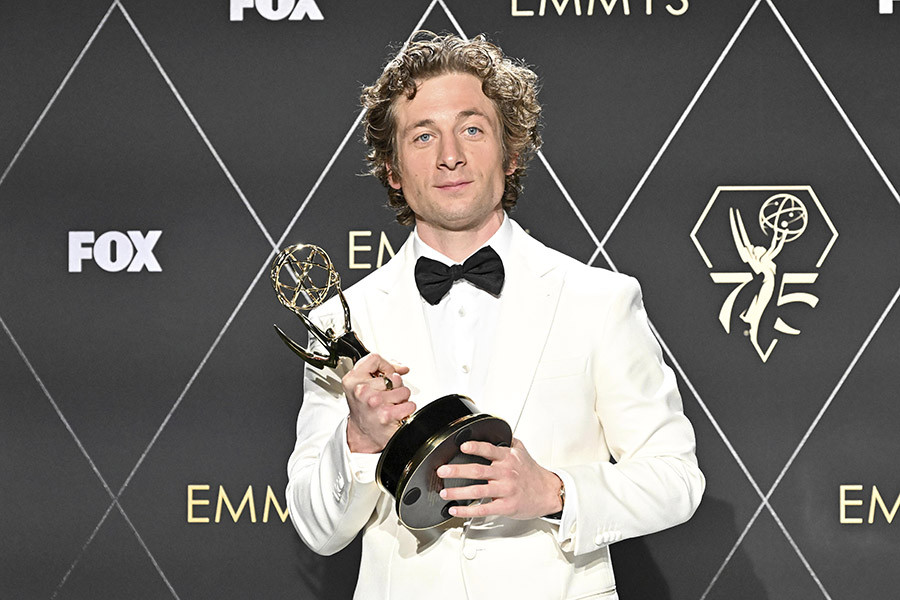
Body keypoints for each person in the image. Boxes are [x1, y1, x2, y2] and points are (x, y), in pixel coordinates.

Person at [285, 32, 705, 600]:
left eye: (472, 129)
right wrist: (358, 438)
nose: (450, 155)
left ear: (510, 153)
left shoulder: (599, 299)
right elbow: (318, 530)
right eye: (423, 135)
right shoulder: (342, 322)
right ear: (392, 168)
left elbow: (676, 480)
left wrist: (553, 492)